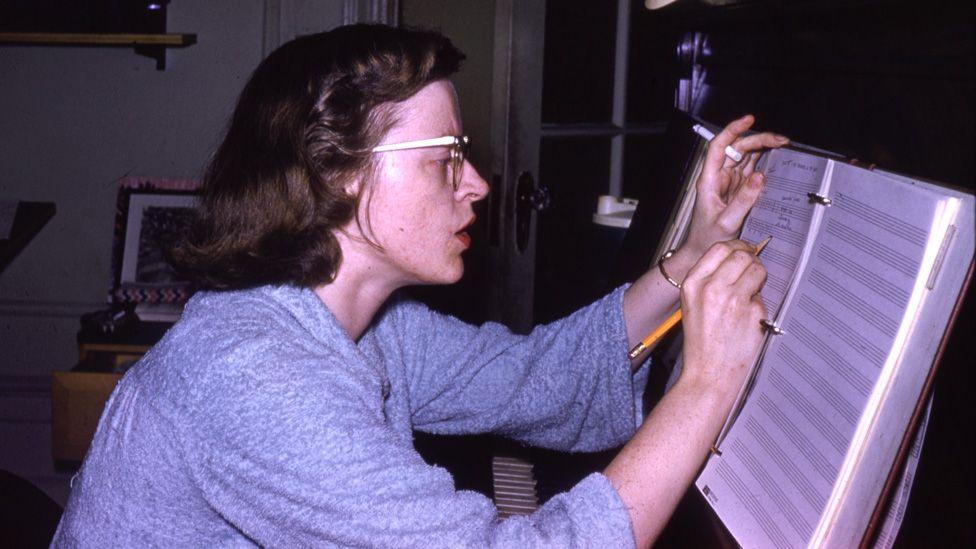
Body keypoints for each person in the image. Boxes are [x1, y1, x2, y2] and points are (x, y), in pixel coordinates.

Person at [52, 24, 788, 548]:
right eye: (445, 157)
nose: (477, 183)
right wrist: (708, 383)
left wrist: (690, 257)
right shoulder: (255, 378)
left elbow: (533, 375)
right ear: (337, 174)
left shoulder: (361, 320)